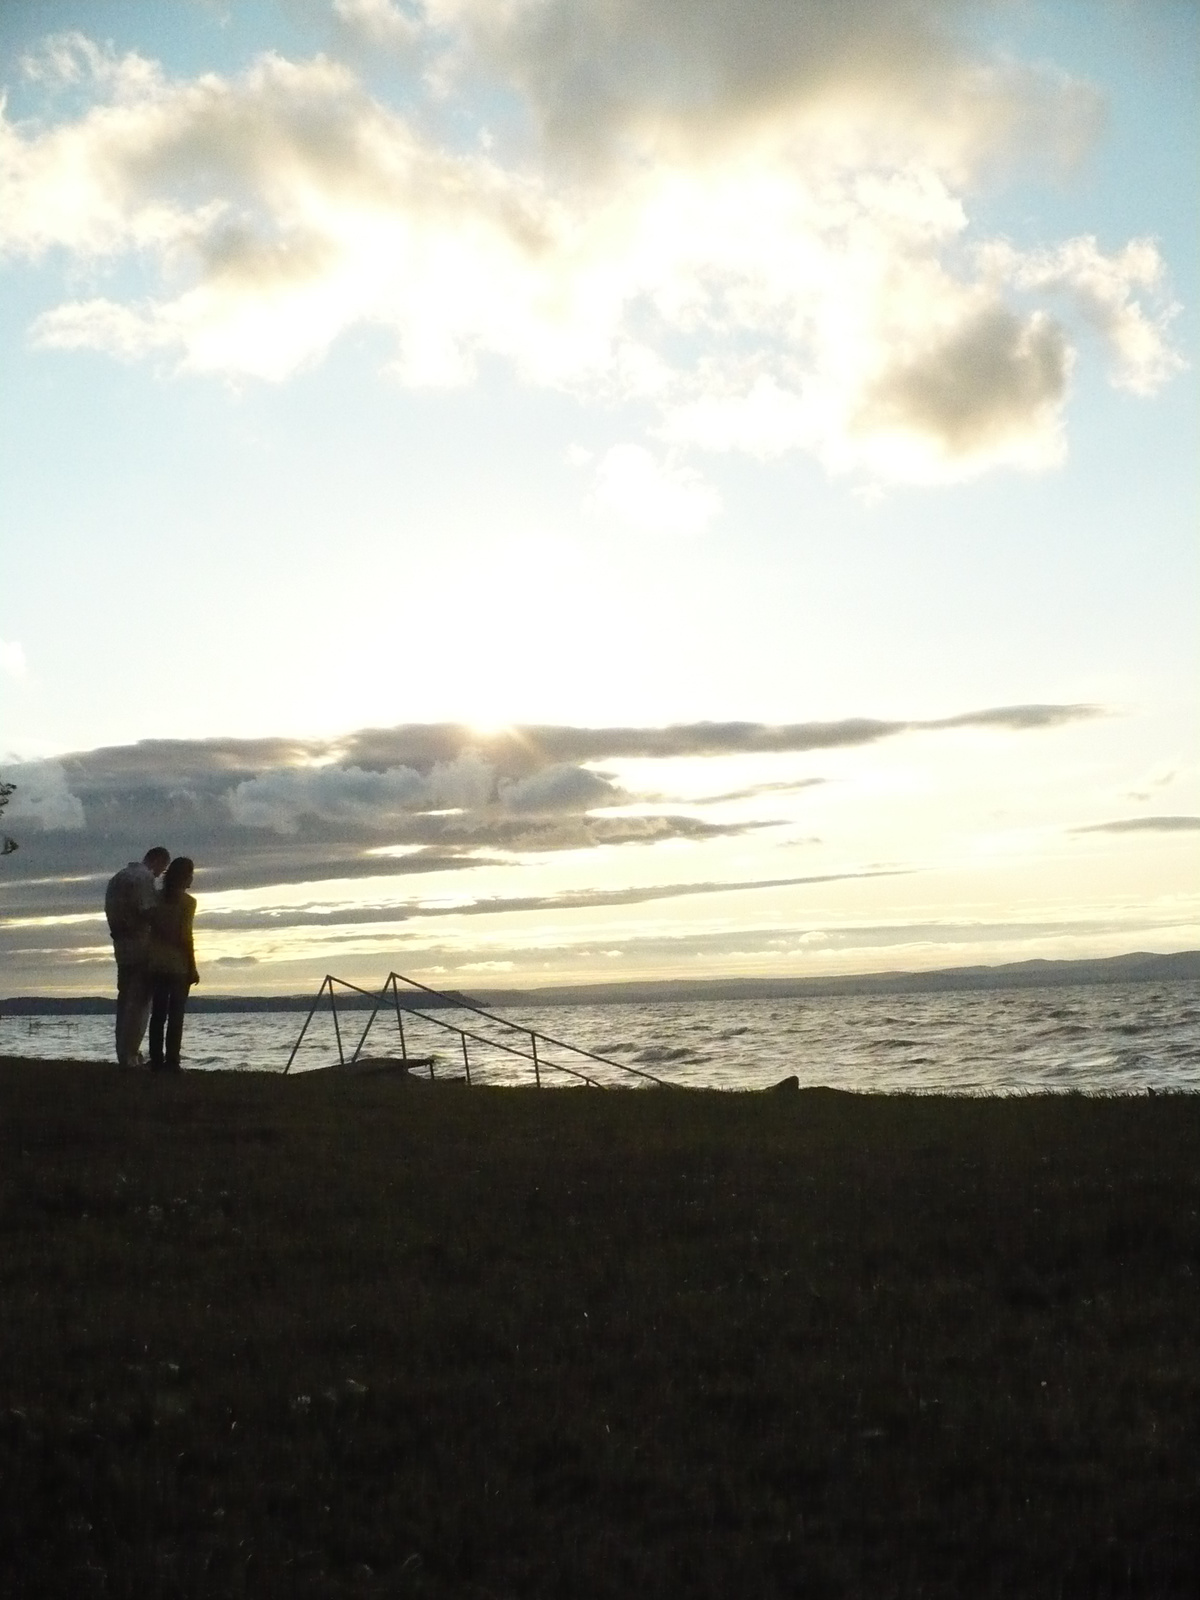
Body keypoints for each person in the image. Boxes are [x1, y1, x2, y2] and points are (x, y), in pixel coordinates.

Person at [105, 846, 170, 1067]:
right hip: (139, 943)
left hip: (120, 943)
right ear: (157, 861)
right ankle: (131, 1054)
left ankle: (123, 1052)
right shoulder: (143, 879)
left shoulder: (117, 878)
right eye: (163, 868)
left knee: (124, 999)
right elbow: (148, 911)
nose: (162, 874)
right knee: (140, 1000)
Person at [147, 856, 200, 1072]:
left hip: (156, 963)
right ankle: (172, 1061)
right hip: (178, 965)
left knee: (158, 1013)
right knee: (176, 1015)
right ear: (185, 876)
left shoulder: (156, 898)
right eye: (191, 875)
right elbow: (186, 936)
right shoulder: (188, 902)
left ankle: (156, 1060)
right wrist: (193, 966)